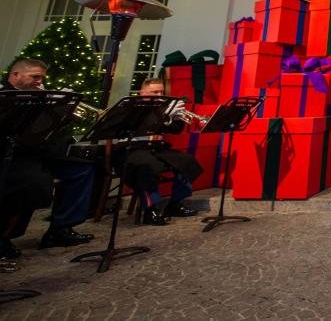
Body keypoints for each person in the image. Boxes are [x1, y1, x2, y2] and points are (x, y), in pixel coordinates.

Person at [0, 59, 95, 261]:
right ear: (15, 75)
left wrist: (64, 112)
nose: (40, 81)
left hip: (38, 151)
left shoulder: (41, 97)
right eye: (35, 77)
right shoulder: (5, 96)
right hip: (12, 155)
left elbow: (47, 129)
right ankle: (5, 236)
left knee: (82, 170)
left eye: (42, 77)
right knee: (31, 183)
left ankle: (60, 229)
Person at [113, 78, 202, 225]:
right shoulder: (132, 107)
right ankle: (150, 209)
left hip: (156, 147)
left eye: (161, 91)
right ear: (142, 92)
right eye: (155, 92)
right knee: (148, 166)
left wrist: (176, 118)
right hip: (132, 148)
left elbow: (175, 131)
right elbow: (136, 127)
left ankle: (175, 203)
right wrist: (164, 115)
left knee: (187, 161)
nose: (160, 94)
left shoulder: (162, 107)